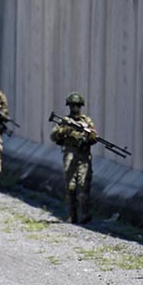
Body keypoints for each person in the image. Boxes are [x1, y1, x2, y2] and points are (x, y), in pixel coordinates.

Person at [49, 92, 98, 224]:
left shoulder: (86, 121)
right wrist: (64, 131)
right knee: (70, 186)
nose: (75, 108)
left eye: (77, 105)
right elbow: (53, 136)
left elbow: (94, 138)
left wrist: (89, 135)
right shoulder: (64, 121)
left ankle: (85, 214)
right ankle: (72, 215)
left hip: (84, 156)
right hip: (70, 154)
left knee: (83, 186)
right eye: (72, 105)